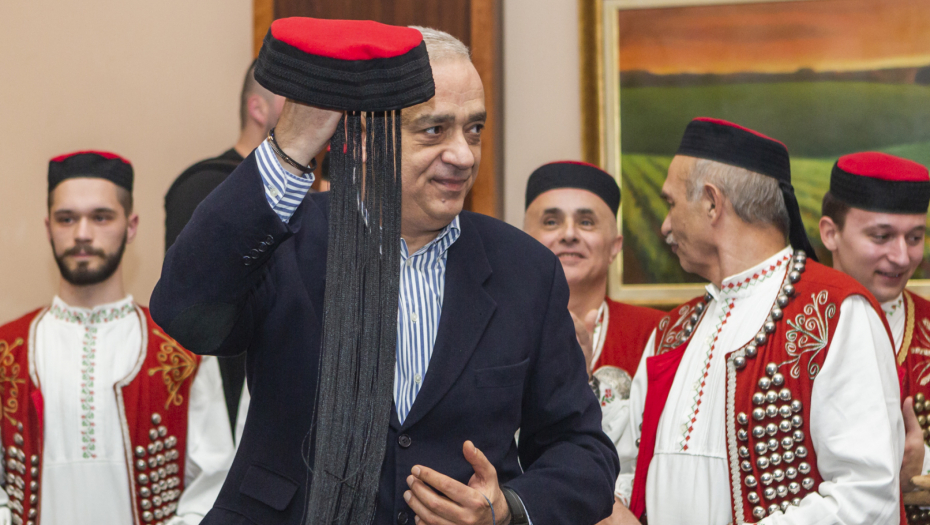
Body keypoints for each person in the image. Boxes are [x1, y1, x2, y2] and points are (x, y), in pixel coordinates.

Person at [150, 19, 617, 525]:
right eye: (434, 130)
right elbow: (183, 310)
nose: (463, 155)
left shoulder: (525, 270)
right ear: (363, 138)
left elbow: (583, 450)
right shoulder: (287, 242)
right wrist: (289, 152)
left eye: (474, 129)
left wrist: (508, 508)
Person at [614, 118, 903, 524]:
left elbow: (868, 495)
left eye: (671, 204)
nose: (664, 225)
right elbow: (628, 467)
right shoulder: (673, 332)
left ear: (712, 203)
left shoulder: (835, 312)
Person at [0, 151, 234, 525]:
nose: (82, 234)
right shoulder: (7, 350)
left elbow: (214, 483)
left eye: (101, 217)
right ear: (48, 228)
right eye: (66, 218)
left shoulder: (181, 350)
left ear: (131, 225)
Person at [523, 161, 665, 524]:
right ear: (524, 239)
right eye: (551, 221)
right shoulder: (493, 329)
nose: (569, 234)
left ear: (615, 245)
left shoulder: (660, 333)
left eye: (586, 222)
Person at [164, 60, 283, 439]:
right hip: (225, 394)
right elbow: (193, 305)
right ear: (257, 108)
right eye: (294, 99)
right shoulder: (205, 188)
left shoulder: (318, 189)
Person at [818, 151, 930, 524]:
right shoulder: (794, 328)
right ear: (830, 233)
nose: (902, 257)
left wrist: (923, 464)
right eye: (881, 236)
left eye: (915, 238)